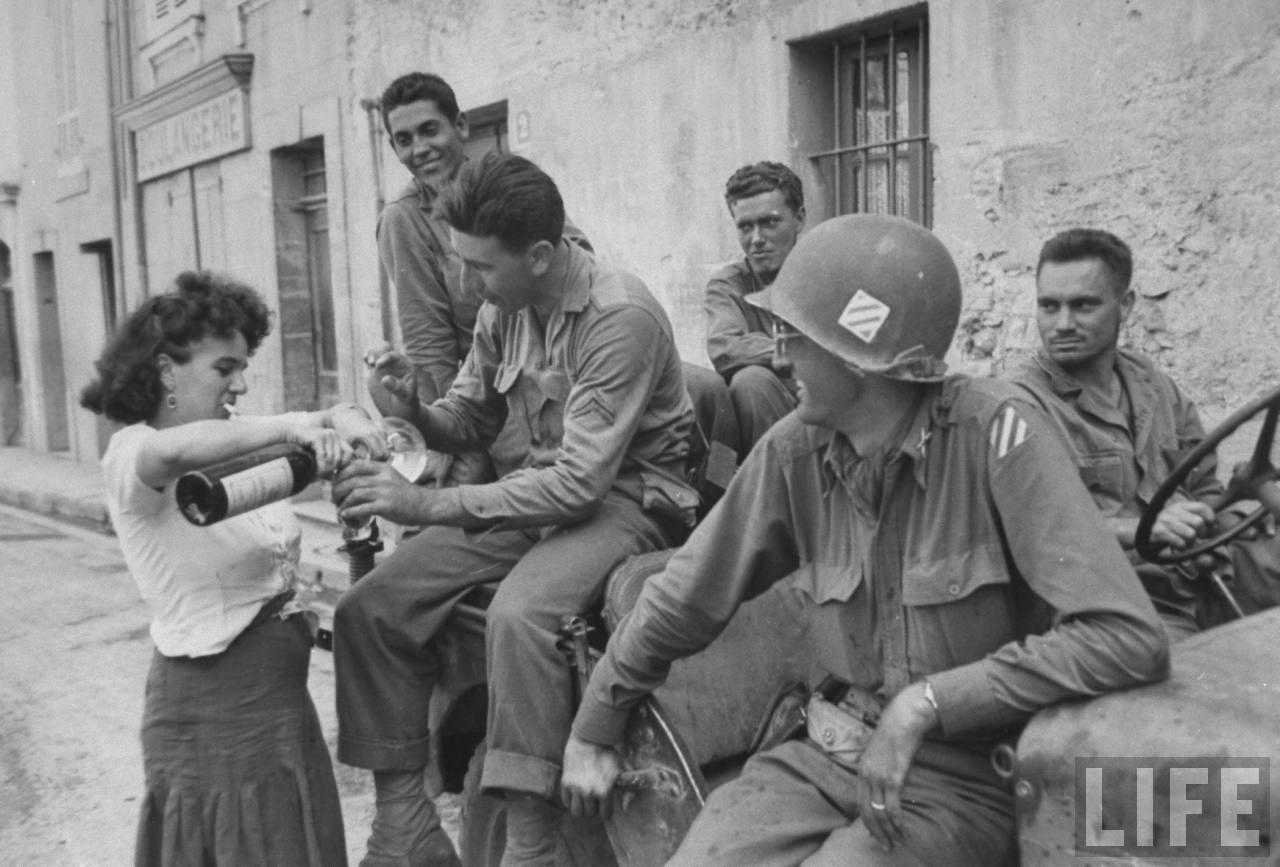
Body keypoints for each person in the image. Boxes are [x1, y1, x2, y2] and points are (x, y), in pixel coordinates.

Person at [560, 214, 1170, 865]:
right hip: (822, 752)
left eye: (796, 336)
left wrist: (929, 702)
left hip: (959, 782)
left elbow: (1125, 636)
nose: (780, 355)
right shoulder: (795, 448)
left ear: (866, 357)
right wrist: (594, 724)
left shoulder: (999, 438)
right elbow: (682, 597)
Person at [331, 152, 696, 866]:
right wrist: (415, 411)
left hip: (628, 500)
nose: (468, 284)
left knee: (521, 615)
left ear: (539, 254)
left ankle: (531, 842)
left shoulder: (619, 317)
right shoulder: (505, 305)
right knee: (370, 607)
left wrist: (426, 503)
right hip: (536, 495)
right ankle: (403, 821)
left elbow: (580, 485)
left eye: (481, 267)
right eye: (462, 263)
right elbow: (470, 416)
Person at [81, 271, 386, 866]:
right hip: (211, 714)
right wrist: (298, 425)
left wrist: (342, 418)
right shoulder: (133, 454)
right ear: (167, 370)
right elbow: (172, 453)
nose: (241, 384)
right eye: (225, 369)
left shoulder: (233, 441)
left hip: (280, 707)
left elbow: (335, 413)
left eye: (244, 366)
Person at [1009, 228, 1227, 640]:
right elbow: (1029, 530)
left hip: (1194, 572)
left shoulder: (1154, 387)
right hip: (1107, 602)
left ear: (1124, 306)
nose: (1063, 324)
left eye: (1084, 305)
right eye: (1049, 306)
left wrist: (1213, 519)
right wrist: (1146, 527)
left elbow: (1204, 481)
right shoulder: (1019, 404)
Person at [374, 71, 591, 482]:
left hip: (566, 373)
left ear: (460, 126)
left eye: (429, 130)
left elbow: (574, 259)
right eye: (404, 140)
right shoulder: (403, 220)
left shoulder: (505, 180)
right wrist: (444, 441)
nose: (420, 149)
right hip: (490, 394)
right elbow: (428, 342)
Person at [704, 161, 804, 454]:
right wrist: (805, 353)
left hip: (831, 408)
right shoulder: (728, 285)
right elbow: (725, 348)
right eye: (745, 227)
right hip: (766, 416)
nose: (757, 239)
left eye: (770, 222)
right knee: (750, 381)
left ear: (799, 219)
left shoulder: (829, 272)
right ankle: (768, 492)